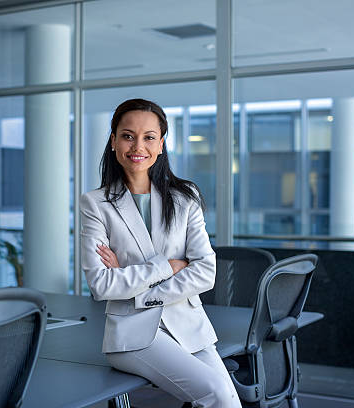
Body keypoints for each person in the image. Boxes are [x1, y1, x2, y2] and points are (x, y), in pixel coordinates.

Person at [80, 98, 241, 407]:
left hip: (189, 325)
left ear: (161, 144)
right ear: (113, 141)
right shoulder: (95, 204)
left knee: (230, 402)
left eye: (149, 137)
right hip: (133, 334)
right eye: (127, 135)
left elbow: (205, 271)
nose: (137, 145)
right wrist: (169, 266)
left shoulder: (185, 197)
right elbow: (101, 285)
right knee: (216, 394)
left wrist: (133, 284)